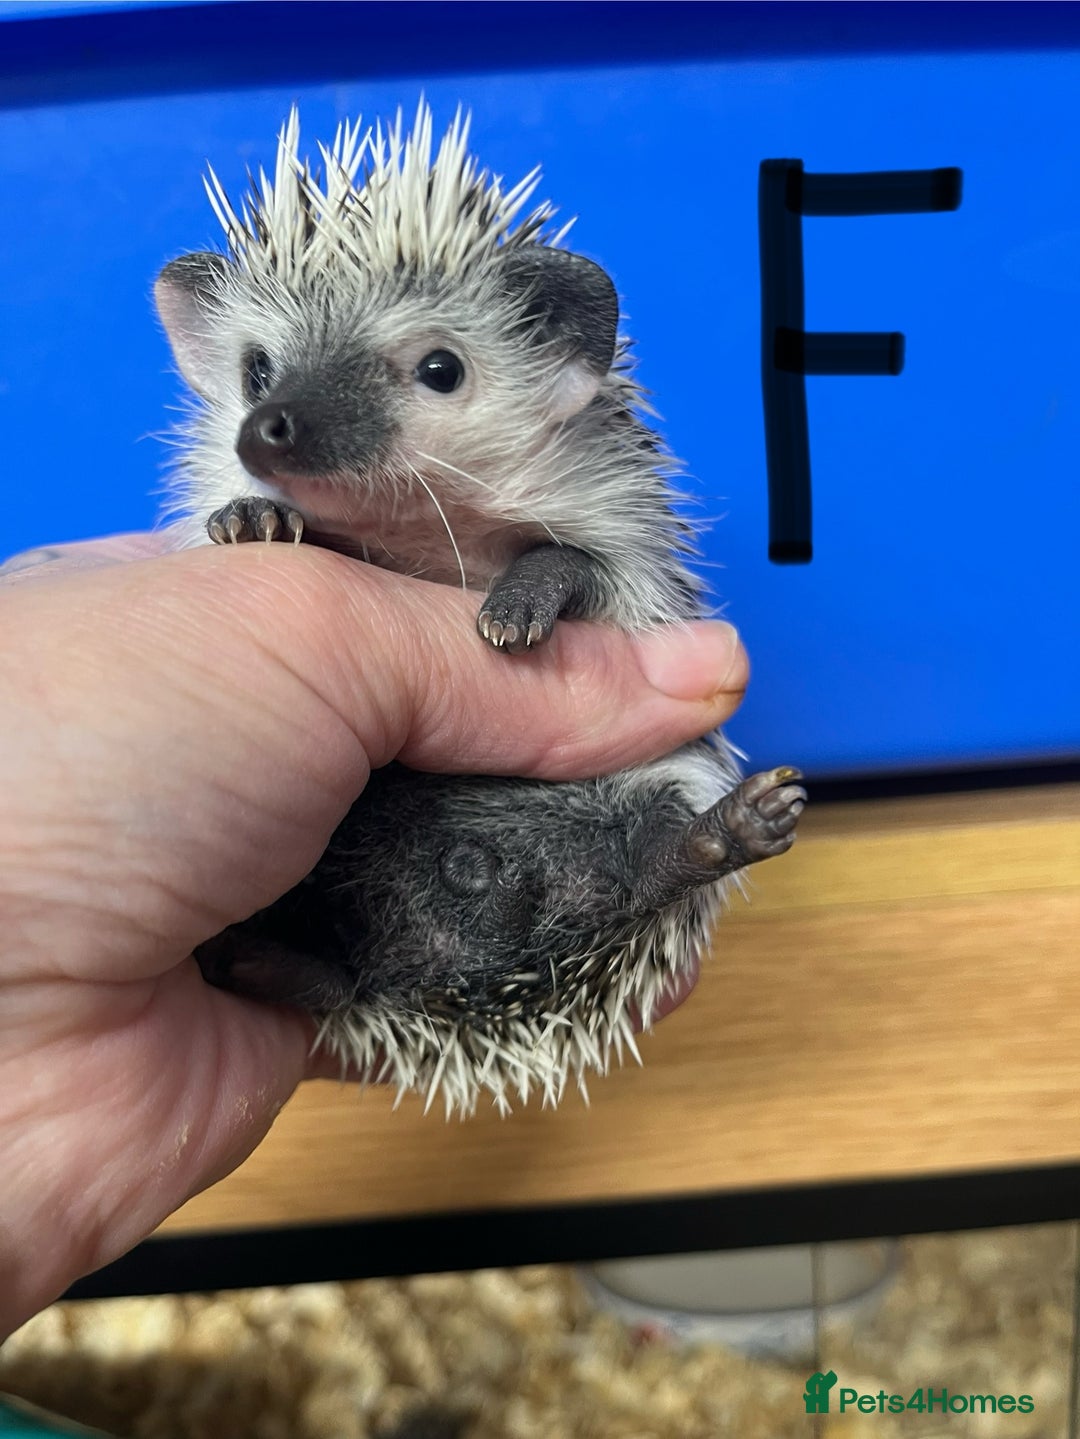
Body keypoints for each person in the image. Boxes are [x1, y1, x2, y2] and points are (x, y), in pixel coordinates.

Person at [0, 533, 748, 1340]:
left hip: (509, 864)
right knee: (362, 904)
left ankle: (673, 859)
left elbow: (599, 570)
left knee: (629, 853)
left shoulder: (567, 519)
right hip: (384, 889)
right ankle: (340, 978)